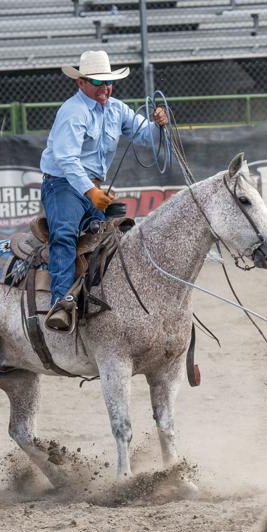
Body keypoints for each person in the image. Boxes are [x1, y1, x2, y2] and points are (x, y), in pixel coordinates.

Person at [40, 50, 169, 332]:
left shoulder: (116, 109)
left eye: (108, 82)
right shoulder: (73, 112)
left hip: (93, 188)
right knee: (65, 234)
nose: (105, 88)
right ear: (81, 83)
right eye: (98, 82)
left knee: (120, 235)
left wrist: (160, 124)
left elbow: (146, 136)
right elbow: (66, 159)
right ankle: (60, 303)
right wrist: (89, 192)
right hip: (62, 184)